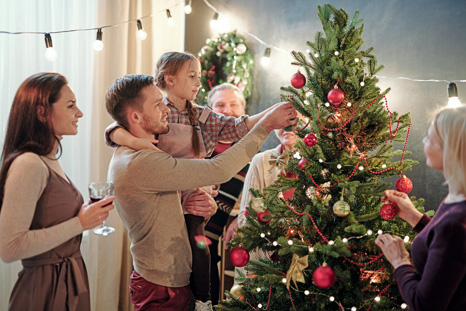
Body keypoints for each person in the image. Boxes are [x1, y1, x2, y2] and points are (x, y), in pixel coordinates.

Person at [105, 74, 297, 311]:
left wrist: (204, 204)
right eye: (158, 104)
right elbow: (218, 169)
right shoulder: (143, 160)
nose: (166, 109)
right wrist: (265, 125)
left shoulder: (144, 149)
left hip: (177, 276)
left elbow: (178, 202)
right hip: (163, 284)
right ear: (135, 116)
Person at [0, 72, 115, 311]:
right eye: (71, 106)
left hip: (67, 281)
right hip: (44, 290)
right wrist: (79, 224)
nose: (80, 113)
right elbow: (9, 247)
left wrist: (83, 217)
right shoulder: (29, 164)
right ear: (42, 113)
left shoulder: (47, 159)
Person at [375, 105, 466, 311]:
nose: (423, 141)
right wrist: (414, 217)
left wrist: (400, 261)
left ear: (450, 149)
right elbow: (447, 247)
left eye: (429, 138)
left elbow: (425, 304)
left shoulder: (457, 221)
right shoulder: (457, 197)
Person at [203, 83, 250, 305]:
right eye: (220, 105)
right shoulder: (198, 146)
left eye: (234, 105)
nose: (227, 110)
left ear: (243, 111)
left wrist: (240, 218)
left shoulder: (251, 152)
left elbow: (258, 195)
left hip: (227, 240)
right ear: (210, 110)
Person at [233, 128, 299, 282]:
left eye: (295, 120)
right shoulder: (261, 160)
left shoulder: (322, 164)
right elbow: (244, 218)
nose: (288, 127)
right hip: (264, 261)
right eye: (283, 121)